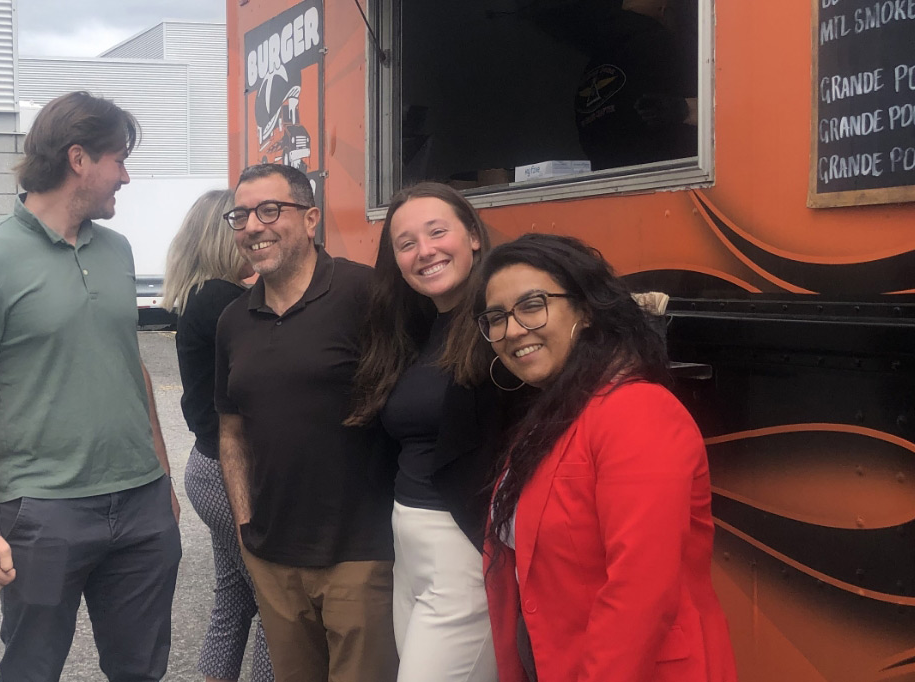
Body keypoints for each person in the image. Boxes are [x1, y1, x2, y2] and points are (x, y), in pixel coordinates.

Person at [463, 233, 736, 682]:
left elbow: (640, 591)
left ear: (586, 310)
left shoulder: (637, 411)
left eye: (533, 305)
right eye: (496, 317)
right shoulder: (555, 413)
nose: (512, 330)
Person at [0, 91, 182, 682]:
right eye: (118, 159)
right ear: (78, 158)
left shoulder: (117, 250)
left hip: (141, 504)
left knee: (141, 670)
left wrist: (163, 476)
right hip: (41, 511)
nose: (125, 176)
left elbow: (131, 364)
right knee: (32, 668)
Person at [215, 163, 397, 682]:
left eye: (271, 210)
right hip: (272, 557)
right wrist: (247, 529)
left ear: (311, 218)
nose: (253, 226)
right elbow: (231, 431)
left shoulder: (366, 295)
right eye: (241, 215)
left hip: (359, 555)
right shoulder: (233, 320)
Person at [347, 183, 516, 682]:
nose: (425, 251)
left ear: (473, 237)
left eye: (437, 232)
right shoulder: (418, 330)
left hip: (463, 547)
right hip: (409, 544)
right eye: (405, 243)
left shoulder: (502, 328)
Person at [162, 189, 274, 682]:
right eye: (240, 222)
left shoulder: (196, 296)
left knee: (232, 596)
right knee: (276, 603)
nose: (250, 230)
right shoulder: (229, 301)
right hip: (232, 472)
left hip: (204, 468)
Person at [574, 0, 698, 170]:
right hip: (670, 176)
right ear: (666, 12)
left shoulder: (593, 63)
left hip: (606, 179)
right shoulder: (664, 46)